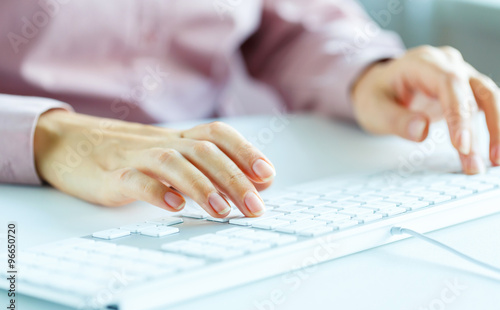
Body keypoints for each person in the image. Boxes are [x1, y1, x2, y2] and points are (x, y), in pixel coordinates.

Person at [1, 1, 498, 219]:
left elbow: (294, 24)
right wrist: (47, 135)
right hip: (25, 198)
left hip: (206, 179)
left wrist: (368, 71)